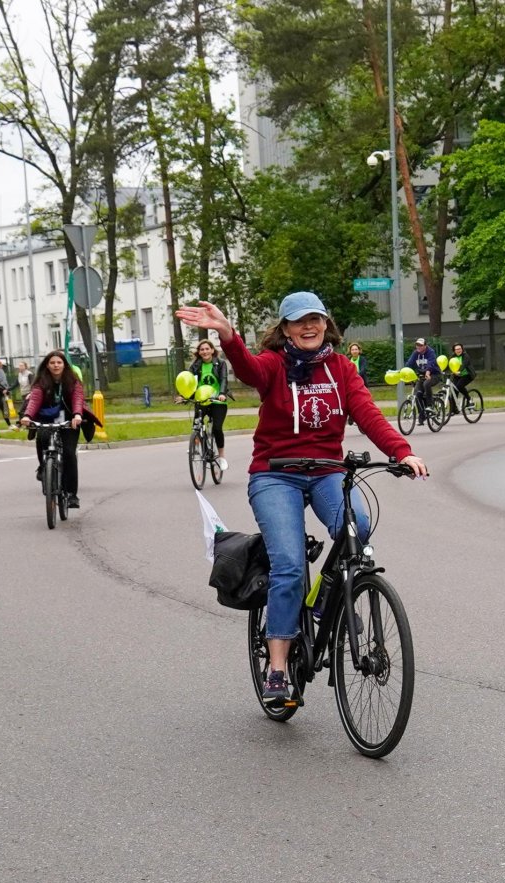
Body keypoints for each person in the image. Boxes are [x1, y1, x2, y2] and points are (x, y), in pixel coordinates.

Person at [176, 292, 427, 707]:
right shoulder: (274, 364)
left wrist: (402, 452)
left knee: (358, 527)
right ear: (286, 329)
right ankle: (277, 668)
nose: (308, 327)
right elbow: (248, 370)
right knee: (290, 564)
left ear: (326, 324)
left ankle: (325, 602)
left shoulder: (341, 368)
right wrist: (227, 335)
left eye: (315, 319)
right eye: (298, 321)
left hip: (326, 470)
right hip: (275, 473)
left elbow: (368, 414)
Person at [17, 349, 99, 510]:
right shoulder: (41, 381)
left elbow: (77, 398)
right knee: (41, 438)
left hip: (69, 419)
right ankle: (43, 467)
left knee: (69, 453)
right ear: (47, 365)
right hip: (47, 418)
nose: (56, 365)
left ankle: (71, 494)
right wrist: (27, 416)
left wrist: (77, 415)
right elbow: (35, 399)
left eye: (59, 362)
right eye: (52, 363)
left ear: (64, 365)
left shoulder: (72, 381)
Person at [180, 339, 230, 471]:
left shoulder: (221, 363)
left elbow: (223, 380)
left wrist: (222, 393)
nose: (205, 351)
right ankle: (196, 447)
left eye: (207, 349)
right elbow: (190, 383)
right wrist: (185, 397)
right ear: (199, 352)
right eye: (202, 349)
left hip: (217, 400)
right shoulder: (195, 366)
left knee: (217, 428)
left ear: (212, 350)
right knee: (197, 425)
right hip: (201, 400)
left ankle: (221, 457)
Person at [404, 337, 441, 419]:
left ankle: (430, 405)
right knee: (417, 394)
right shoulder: (416, 353)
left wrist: (428, 371)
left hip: (434, 374)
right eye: (417, 345)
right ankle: (422, 415)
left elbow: (431, 363)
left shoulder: (430, 352)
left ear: (425, 346)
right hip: (422, 376)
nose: (418, 347)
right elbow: (409, 363)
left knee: (426, 384)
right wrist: (403, 371)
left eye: (420, 345)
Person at [448, 343, 474, 413]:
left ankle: (469, 398)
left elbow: (464, 365)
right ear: (454, 350)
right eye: (456, 349)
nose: (458, 350)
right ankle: (453, 409)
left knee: (459, 386)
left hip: (467, 375)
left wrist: (459, 370)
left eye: (459, 349)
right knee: (454, 391)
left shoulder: (466, 356)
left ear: (462, 349)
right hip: (457, 376)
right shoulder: (453, 357)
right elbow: (450, 365)